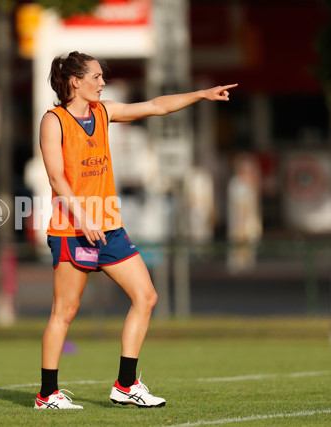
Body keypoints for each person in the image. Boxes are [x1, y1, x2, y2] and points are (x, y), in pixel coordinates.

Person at [34, 51, 237, 410]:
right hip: (72, 228)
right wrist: (83, 217)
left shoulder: (104, 111)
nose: (102, 82)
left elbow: (156, 106)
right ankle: (47, 394)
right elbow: (55, 177)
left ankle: (125, 386)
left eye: (102, 77)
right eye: (96, 77)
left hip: (109, 226)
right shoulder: (54, 121)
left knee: (146, 297)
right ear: (75, 82)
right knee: (64, 312)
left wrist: (200, 94)